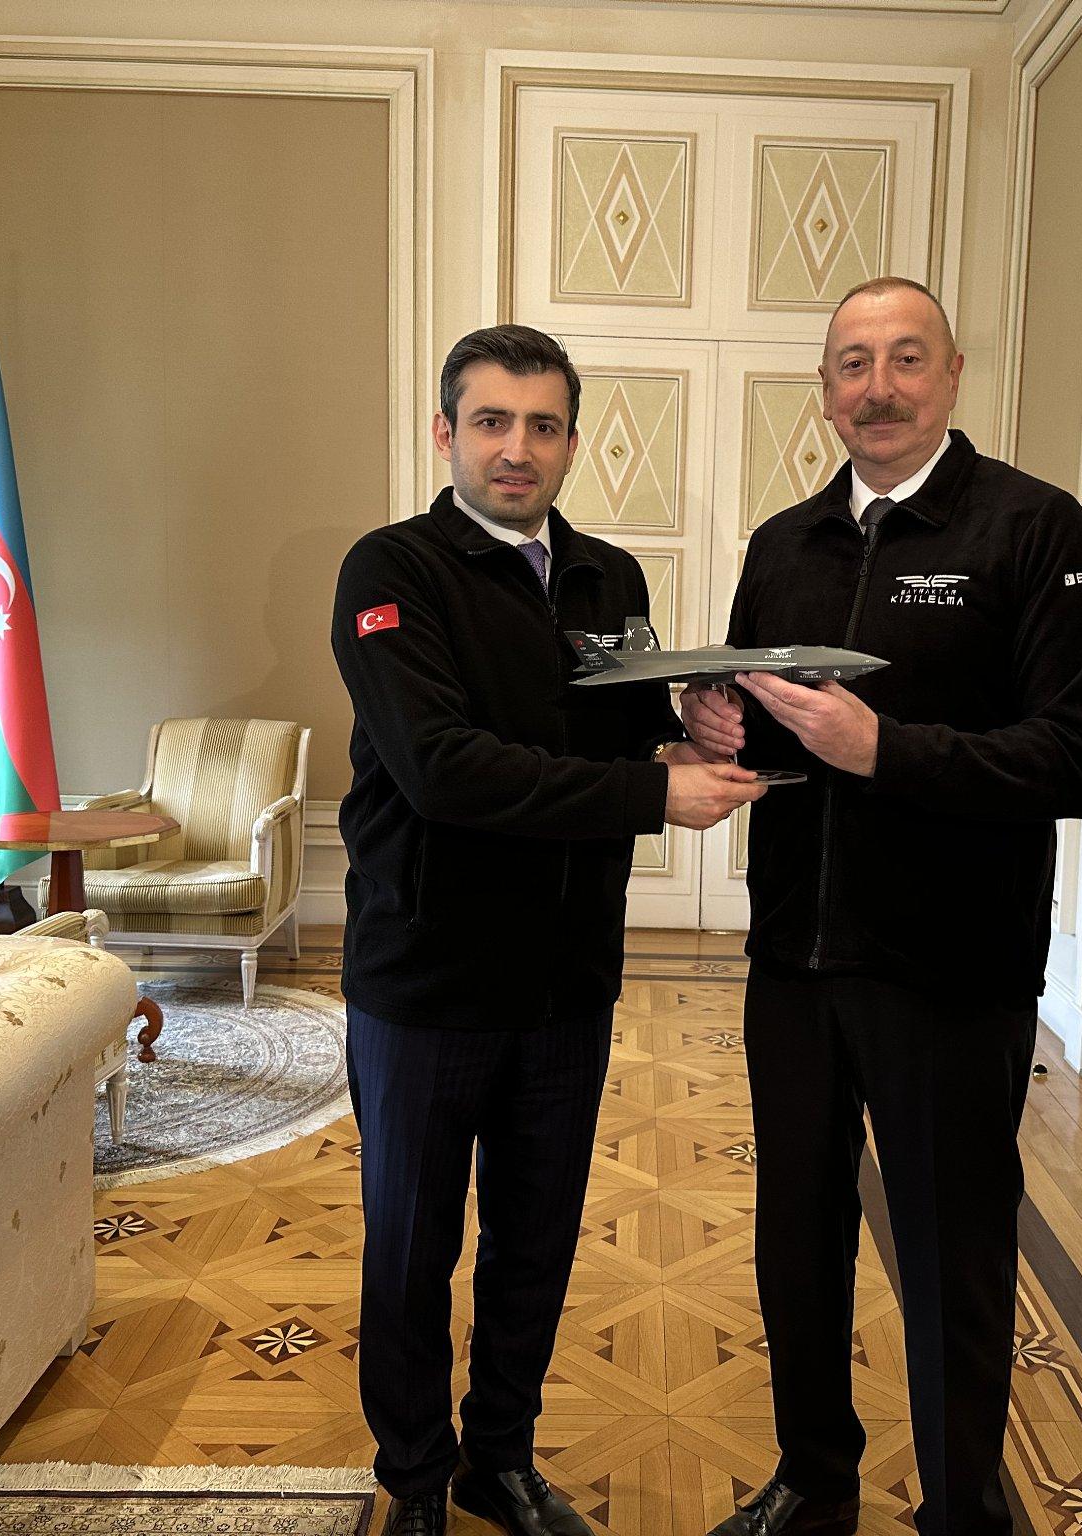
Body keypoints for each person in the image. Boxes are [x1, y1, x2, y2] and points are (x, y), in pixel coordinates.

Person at [682, 277, 1082, 1536]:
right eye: (851, 364)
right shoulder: (781, 545)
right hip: (793, 960)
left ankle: (961, 1513)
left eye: (904, 359)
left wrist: (888, 750)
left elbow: (1078, 761)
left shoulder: (1034, 530)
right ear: (824, 391)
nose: (876, 388)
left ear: (952, 373)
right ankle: (814, 1480)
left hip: (951, 972)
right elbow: (753, 715)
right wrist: (709, 718)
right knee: (795, 1239)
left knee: (949, 1254)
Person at [332, 324, 763, 1536]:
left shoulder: (609, 580)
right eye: (490, 422)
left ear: (571, 443)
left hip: (567, 977)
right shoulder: (390, 570)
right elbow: (442, 770)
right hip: (426, 977)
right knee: (411, 1247)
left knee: (535, 1239)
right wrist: (649, 793)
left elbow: (619, 737)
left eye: (541, 425)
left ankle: (499, 1460)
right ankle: (415, 1477)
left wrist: (687, 728)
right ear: (445, 433)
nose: (515, 448)